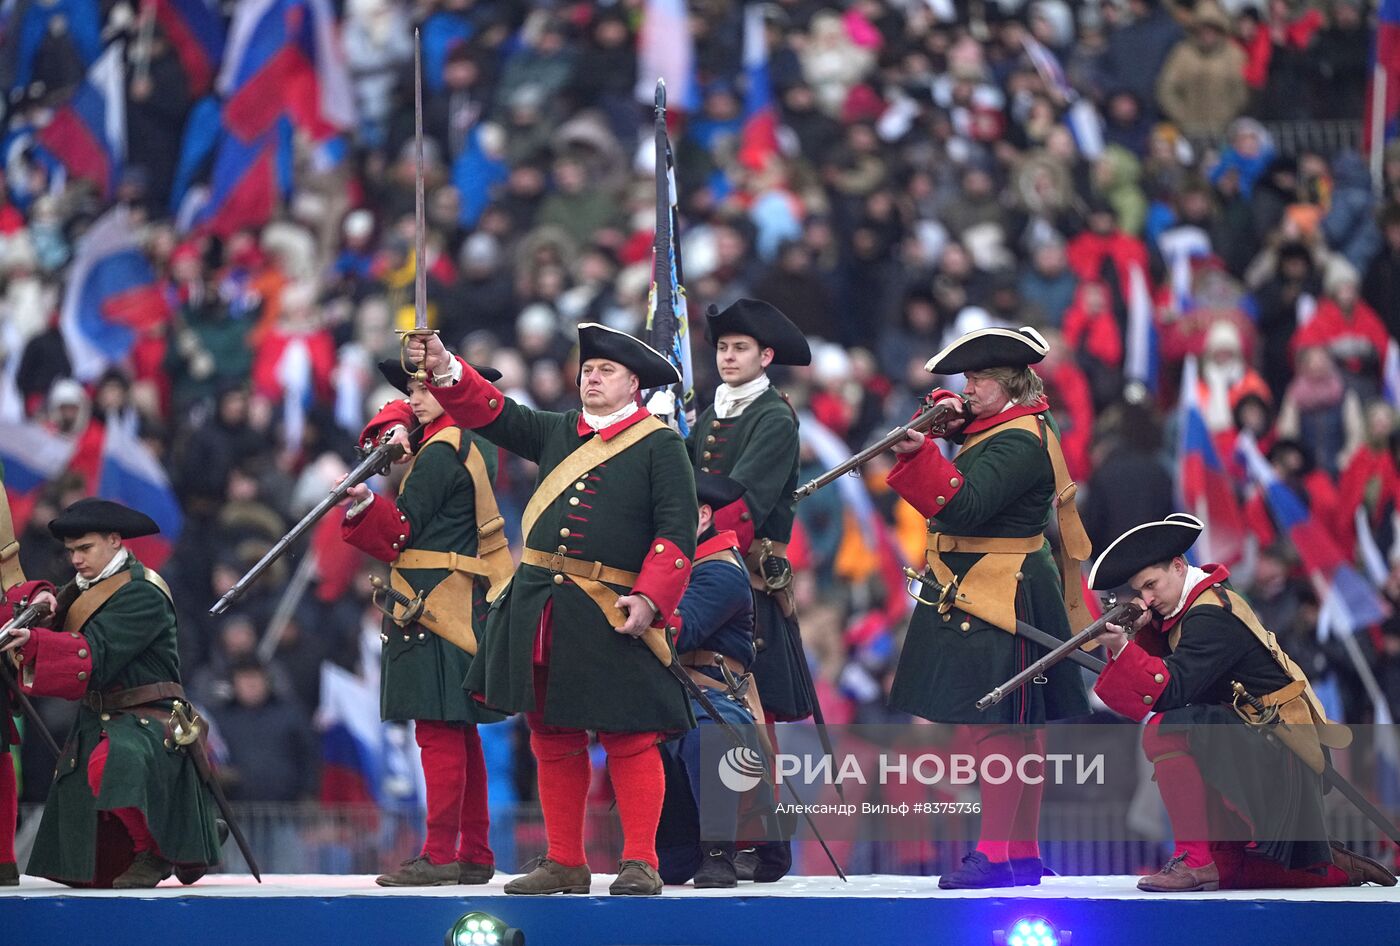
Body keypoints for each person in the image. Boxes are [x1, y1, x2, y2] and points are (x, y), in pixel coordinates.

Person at [393, 325, 697, 896]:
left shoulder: (661, 445)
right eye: (588, 370)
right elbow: (491, 412)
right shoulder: (558, 430)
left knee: (629, 735)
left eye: (606, 371)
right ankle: (564, 861)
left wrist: (651, 597)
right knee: (552, 733)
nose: (593, 378)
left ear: (633, 383)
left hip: (610, 607)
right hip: (543, 605)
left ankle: (641, 860)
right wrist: (445, 365)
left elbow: (676, 534)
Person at [885, 326, 1092, 889]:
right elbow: (971, 440)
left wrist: (923, 452)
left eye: (978, 380)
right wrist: (944, 417)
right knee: (1018, 725)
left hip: (1002, 585)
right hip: (990, 583)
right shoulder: (1010, 424)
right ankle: (1020, 853)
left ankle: (996, 856)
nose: (969, 388)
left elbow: (964, 507)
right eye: (967, 380)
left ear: (1008, 384)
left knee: (1000, 723)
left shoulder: (1019, 441)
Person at [1089, 513, 1396, 891]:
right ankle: (1338, 868)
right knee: (1231, 868)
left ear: (1179, 566)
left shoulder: (1210, 614)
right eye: (1141, 592)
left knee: (1164, 730)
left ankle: (1193, 860)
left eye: (1152, 585)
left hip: (1276, 748)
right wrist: (1135, 637)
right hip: (1243, 741)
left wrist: (1122, 647)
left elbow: (1169, 692)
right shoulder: (1190, 609)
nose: (1147, 599)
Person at [341, 360, 513, 886]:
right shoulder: (470, 439)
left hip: (432, 604)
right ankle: (474, 851)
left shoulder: (439, 451)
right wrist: (397, 427)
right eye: (411, 389)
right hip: (462, 600)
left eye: (424, 389)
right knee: (459, 731)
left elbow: (400, 532)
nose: (413, 399)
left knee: (437, 731)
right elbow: (398, 415)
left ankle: (439, 856)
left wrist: (364, 504)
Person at [1, 499, 221, 888]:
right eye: (71, 551)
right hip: (101, 716)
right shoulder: (83, 588)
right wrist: (40, 611)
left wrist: (34, 643)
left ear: (115, 541)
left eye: (85, 548)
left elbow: (94, 652)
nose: (76, 559)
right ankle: (189, 835)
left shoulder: (142, 591)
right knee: (89, 867)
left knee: (110, 763)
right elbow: (56, 628)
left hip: (147, 714)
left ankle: (157, 850)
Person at [690, 298, 812, 883]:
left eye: (740, 348)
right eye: (722, 347)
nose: (728, 357)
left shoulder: (773, 417)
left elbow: (743, 505)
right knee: (713, 708)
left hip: (745, 578)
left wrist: (683, 541)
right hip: (705, 568)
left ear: (765, 356)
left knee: (748, 713)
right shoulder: (709, 414)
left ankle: (761, 838)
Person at [655, 472, 762, 889]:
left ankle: (719, 852)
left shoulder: (721, 571)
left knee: (706, 733)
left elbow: (678, 631)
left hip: (715, 697)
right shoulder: (673, 563)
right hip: (669, 694)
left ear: (702, 517)